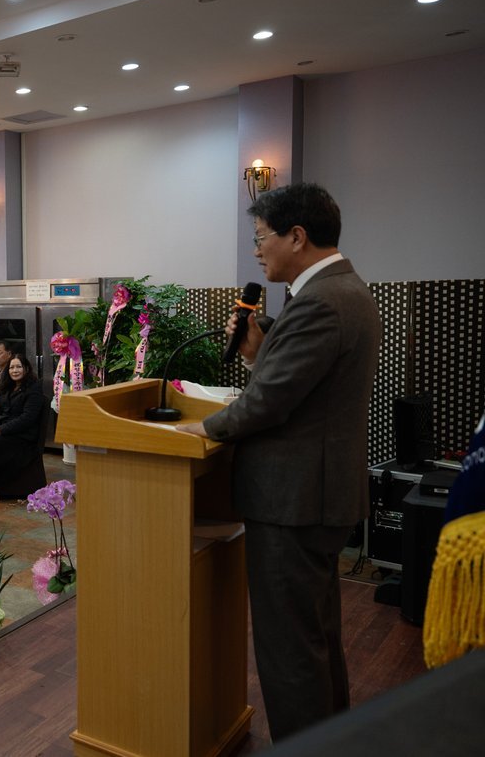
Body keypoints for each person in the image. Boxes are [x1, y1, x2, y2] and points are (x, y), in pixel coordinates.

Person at [176, 183, 381, 742]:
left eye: (261, 237)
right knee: (315, 639)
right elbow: (302, 389)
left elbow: (269, 403)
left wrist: (203, 428)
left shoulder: (320, 301)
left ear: (297, 236)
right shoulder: (344, 291)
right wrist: (256, 353)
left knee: (290, 651)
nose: (256, 250)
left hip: (295, 500)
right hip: (315, 494)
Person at [0, 354, 46, 494]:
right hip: (5, 430)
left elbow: (27, 418)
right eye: (11, 367)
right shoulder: (8, 386)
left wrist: (1, 429)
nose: (15, 370)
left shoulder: (33, 388)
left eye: (18, 367)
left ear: (26, 368)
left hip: (23, 437)